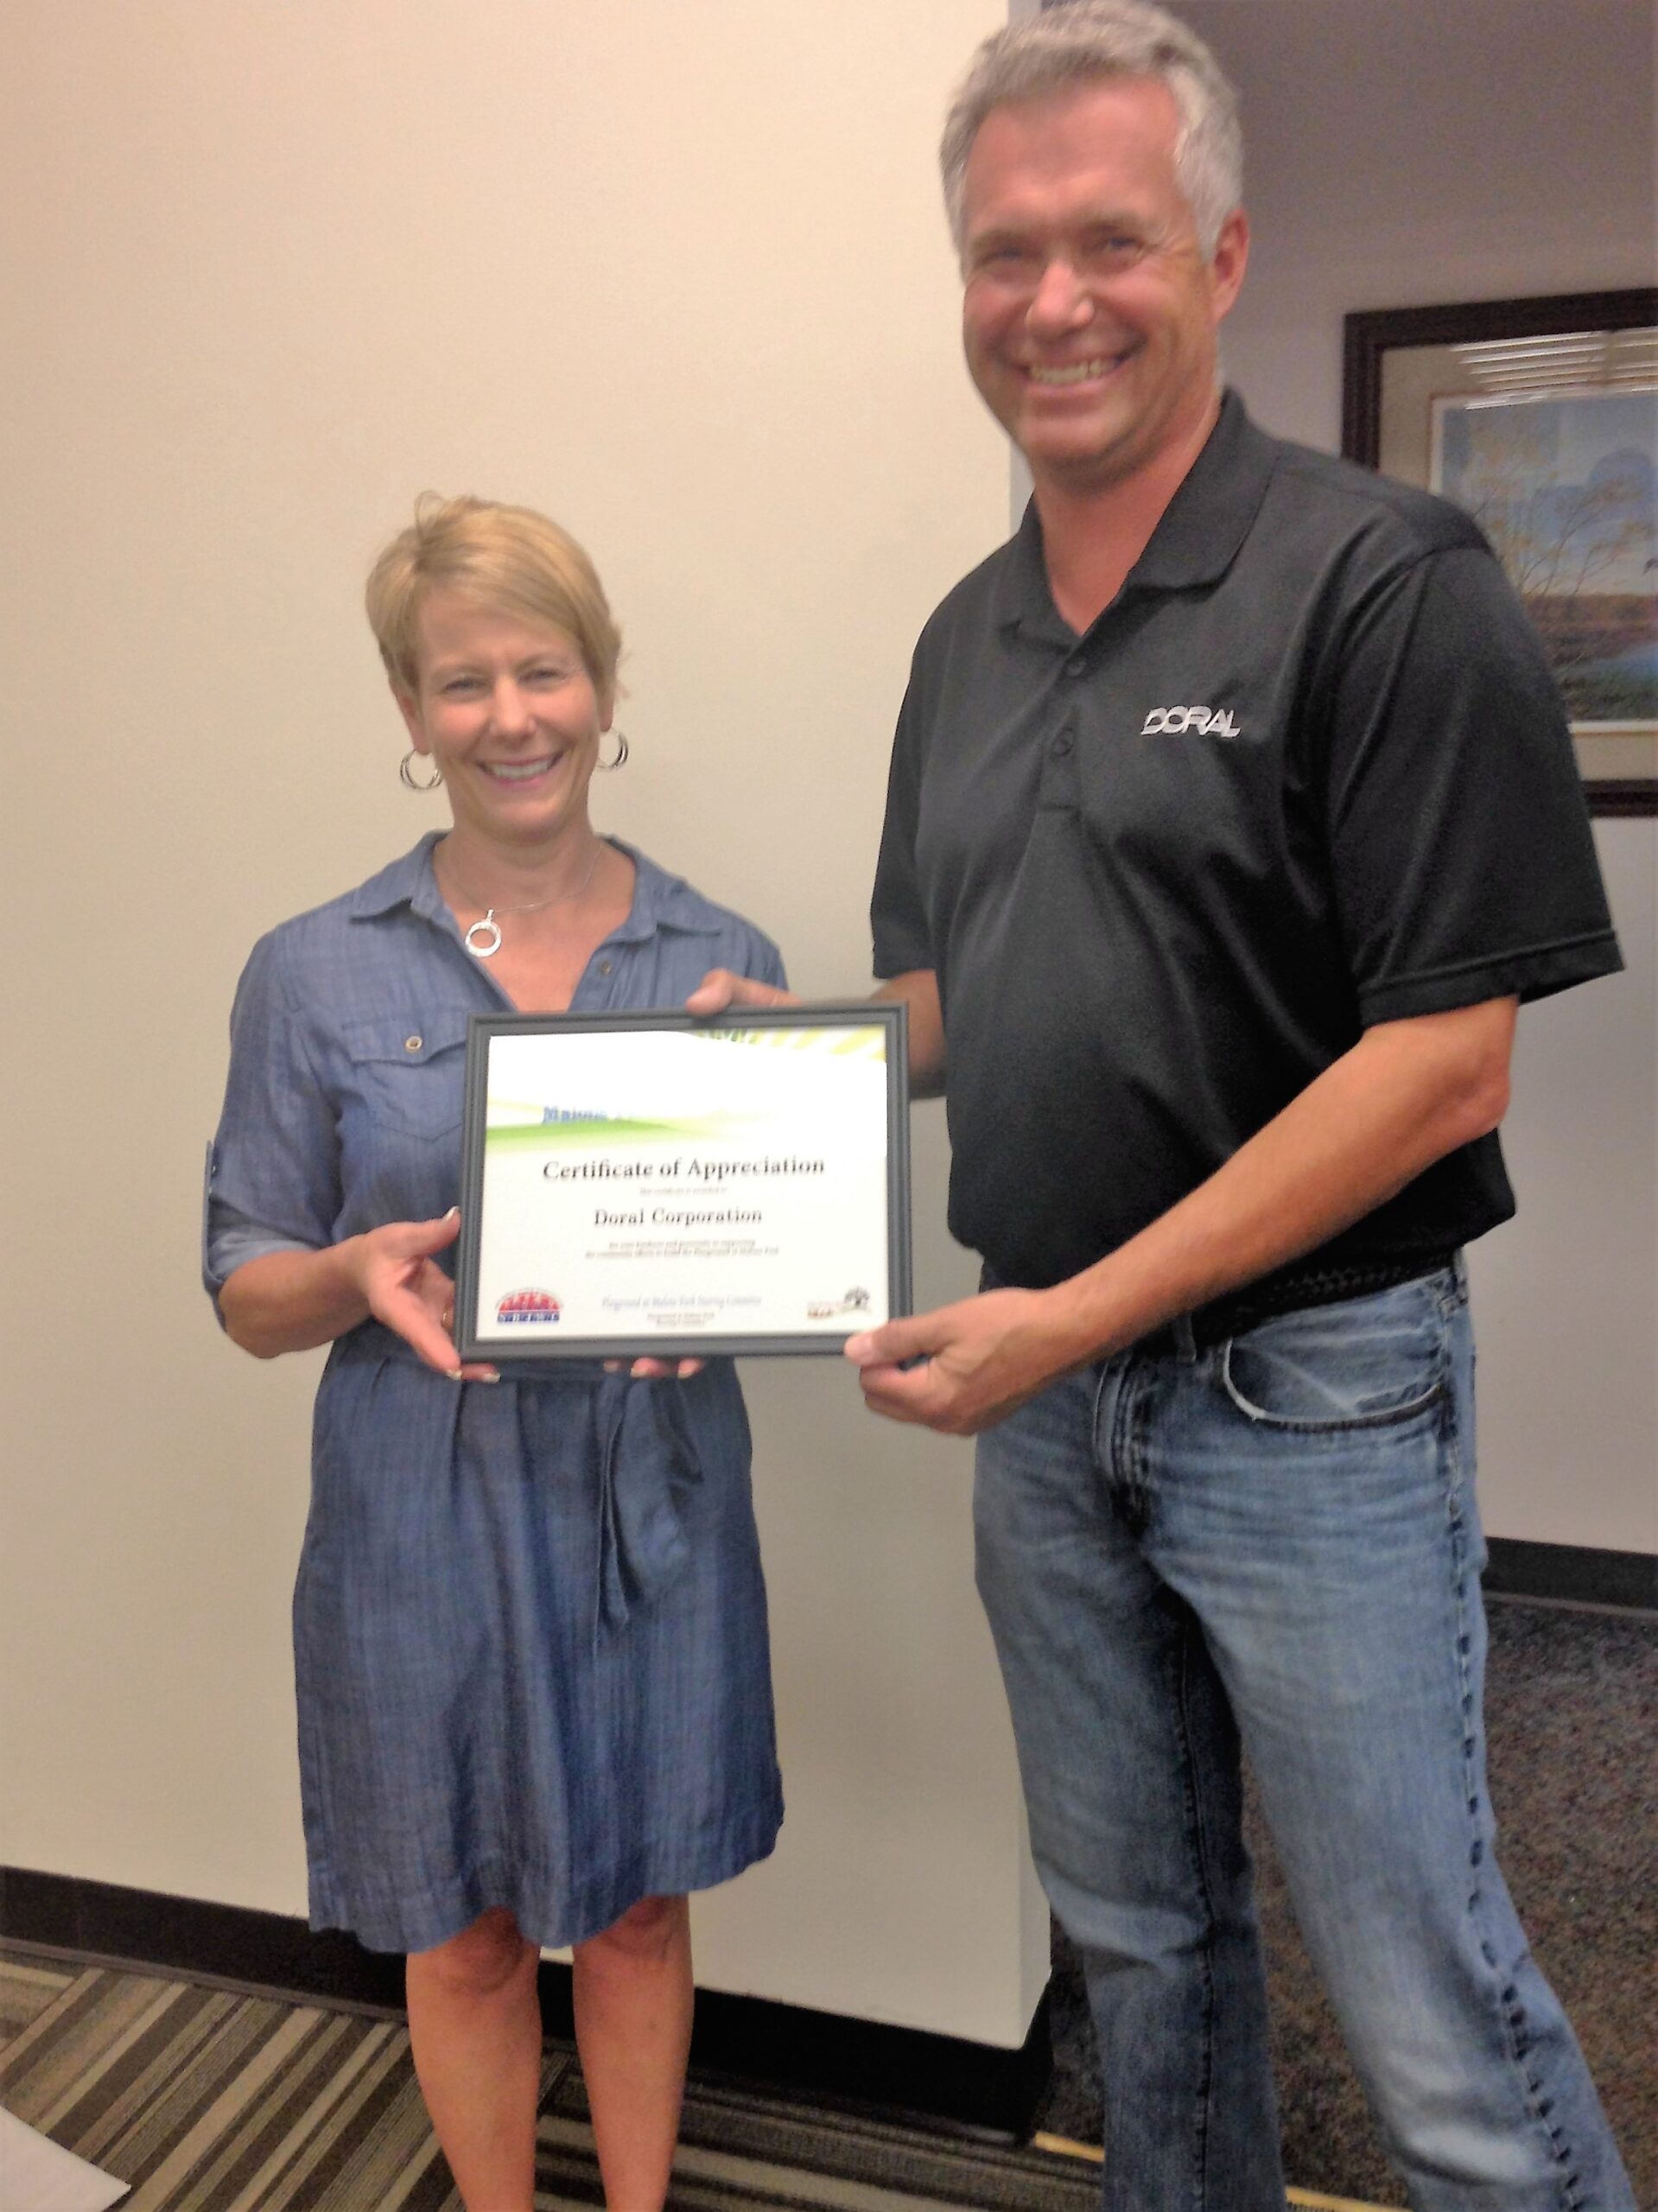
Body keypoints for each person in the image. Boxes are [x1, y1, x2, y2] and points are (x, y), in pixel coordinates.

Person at [693, 5, 1636, 2207]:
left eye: (1108, 240)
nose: (1053, 301)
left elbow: (1446, 1058)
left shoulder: (1385, 582)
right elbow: (964, 986)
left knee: (1425, 1994)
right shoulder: (966, 636)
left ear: (1221, 255)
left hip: (1312, 1393)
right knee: (1140, 1949)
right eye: (1002, 253)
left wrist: (1078, 1312)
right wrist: (784, 1062)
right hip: (1045, 1411)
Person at [205, 495, 785, 2212]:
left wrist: (733, 1298)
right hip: (418, 1506)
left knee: (636, 1900)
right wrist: (349, 1270)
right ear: (410, 713)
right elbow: (243, 1285)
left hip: (649, 1500)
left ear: (604, 686)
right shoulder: (309, 971)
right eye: (463, 682)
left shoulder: (720, 959)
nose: (511, 714)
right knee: (455, 1925)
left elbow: (759, 1228)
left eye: (546, 669)